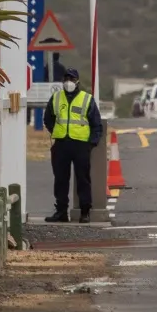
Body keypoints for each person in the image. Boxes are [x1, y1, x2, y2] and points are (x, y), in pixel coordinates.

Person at [45, 66, 103, 222]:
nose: (68, 82)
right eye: (66, 79)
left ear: (77, 81)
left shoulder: (86, 99)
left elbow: (96, 124)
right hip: (61, 144)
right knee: (60, 180)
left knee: (82, 179)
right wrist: (56, 131)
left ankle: (85, 212)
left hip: (80, 145)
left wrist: (91, 143)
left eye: (72, 79)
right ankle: (61, 212)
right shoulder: (56, 98)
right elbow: (48, 119)